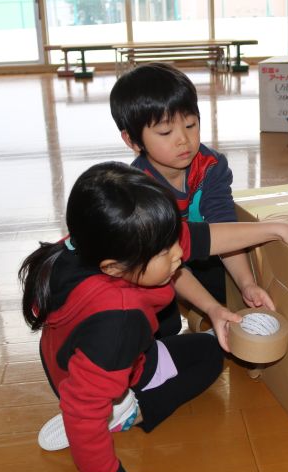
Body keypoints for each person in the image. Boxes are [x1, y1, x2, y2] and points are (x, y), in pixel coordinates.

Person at [19, 162, 288, 472]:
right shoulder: (117, 325)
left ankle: (111, 403)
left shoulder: (90, 243)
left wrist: (276, 230)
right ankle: (126, 411)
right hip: (100, 374)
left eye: (173, 239)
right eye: (164, 251)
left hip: (67, 357)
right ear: (113, 267)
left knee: (196, 344)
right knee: (211, 360)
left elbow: (200, 240)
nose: (178, 252)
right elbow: (83, 410)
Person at [110, 63, 273, 338]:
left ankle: (197, 305)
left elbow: (225, 226)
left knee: (235, 285)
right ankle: (191, 306)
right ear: (133, 141)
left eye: (190, 125)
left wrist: (247, 284)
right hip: (158, 265)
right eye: (165, 132)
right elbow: (161, 261)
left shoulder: (211, 166)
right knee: (162, 325)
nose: (183, 140)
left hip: (198, 252)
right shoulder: (138, 190)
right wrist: (208, 305)